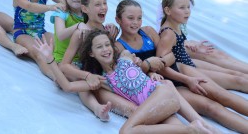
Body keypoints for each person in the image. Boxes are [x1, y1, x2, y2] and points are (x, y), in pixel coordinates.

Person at [33, 30, 214, 134]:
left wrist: (149, 71)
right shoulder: (102, 80)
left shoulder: (126, 57)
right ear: (91, 53)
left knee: (126, 132)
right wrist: (49, 59)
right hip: (159, 108)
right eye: (99, 47)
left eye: (107, 45)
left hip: (163, 93)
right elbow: (67, 86)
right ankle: (196, 129)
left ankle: (193, 128)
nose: (105, 49)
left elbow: (145, 63)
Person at [157, 0, 248, 133]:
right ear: (167, 10)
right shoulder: (168, 33)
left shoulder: (177, 25)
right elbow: (160, 67)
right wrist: (187, 79)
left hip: (186, 69)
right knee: (218, 102)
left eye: (188, 7)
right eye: (182, 8)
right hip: (178, 80)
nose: (187, 11)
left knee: (223, 95)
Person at [156, 0, 248, 74]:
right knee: (211, 55)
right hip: (176, 48)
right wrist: (186, 42)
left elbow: (179, 30)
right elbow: (163, 30)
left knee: (219, 54)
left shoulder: (187, 1)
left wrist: (189, 41)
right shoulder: (170, 1)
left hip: (182, 42)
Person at [11, 0, 66, 80]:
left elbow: (65, 3)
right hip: (23, 32)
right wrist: (51, 7)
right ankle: (56, 78)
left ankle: (69, 71)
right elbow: (29, 6)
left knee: (62, 47)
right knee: (40, 54)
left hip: (41, 31)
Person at [50, 0, 89, 64]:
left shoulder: (88, 14)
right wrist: (78, 25)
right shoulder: (61, 13)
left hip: (83, 59)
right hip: (62, 59)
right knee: (76, 74)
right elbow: (60, 35)